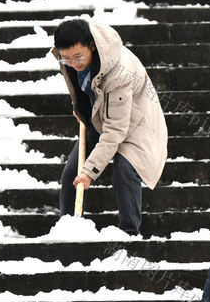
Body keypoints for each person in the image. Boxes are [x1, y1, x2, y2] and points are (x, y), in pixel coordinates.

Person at [52, 17, 168, 235]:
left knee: (125, 170)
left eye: (78, 56)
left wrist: (90, 173)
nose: (73, 63)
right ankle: (67, 229)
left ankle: (129, 234)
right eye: (66, 58)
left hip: (136, 123)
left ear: (92, 46)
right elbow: (84, 85)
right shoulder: (68, 58)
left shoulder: (119, 72)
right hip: (100, 117)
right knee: (71, 174)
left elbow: (115, 131)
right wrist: (82, 109)